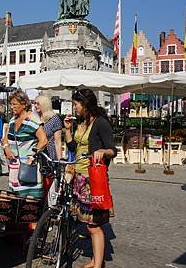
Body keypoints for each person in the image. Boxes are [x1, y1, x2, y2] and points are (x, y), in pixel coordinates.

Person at [63, 89, 116, 268]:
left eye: (76, 105)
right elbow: (72, 147)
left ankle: (98, 263)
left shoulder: (101, 123)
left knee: (94, 225)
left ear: (85, 105)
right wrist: (68, 130)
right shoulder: (82, 122)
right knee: (87, 223)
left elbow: (112, 150)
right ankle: (95, 260)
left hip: (92, 179)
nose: (74, 108)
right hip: (79, 178)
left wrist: (102, 151)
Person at [3, 90, 47, 196]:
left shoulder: (33, 120)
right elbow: (5, 138)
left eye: (15, 104)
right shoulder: (13, 120)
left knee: (30, 203)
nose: (12, 107)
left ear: (24, 104)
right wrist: (6, 148)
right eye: (11, 104)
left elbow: (44, 140)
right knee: (16, 200)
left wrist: (32, 157)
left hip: (28, 168)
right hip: (14, 167)